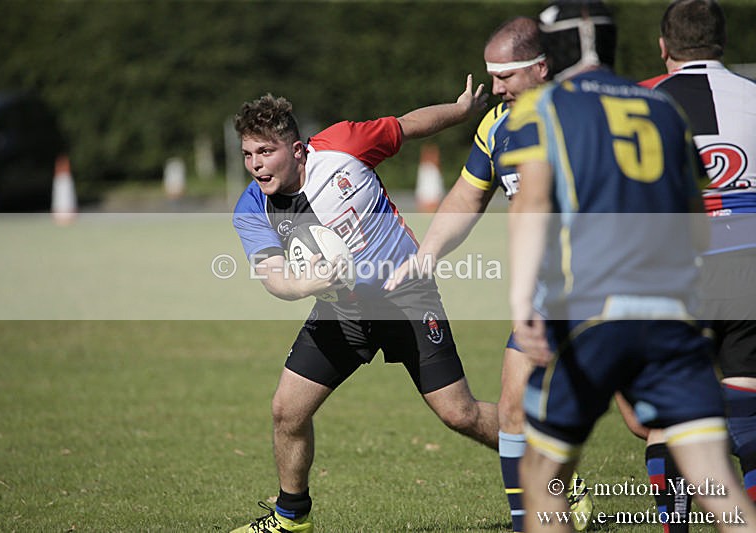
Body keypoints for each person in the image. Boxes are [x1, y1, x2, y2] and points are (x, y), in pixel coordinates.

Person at [499, 1, 756, 531]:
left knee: (544, 475)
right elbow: (696, 223)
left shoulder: (543, 108)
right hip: (671, 314)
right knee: (718, 480)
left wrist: (524, 303)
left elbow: (530, 204)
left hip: (592, 313)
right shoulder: (661, 111)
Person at [229, 78, 501, 533]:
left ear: (296, 150)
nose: (256, 166)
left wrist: (460, 111)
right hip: (342, 311)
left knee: (460, 414)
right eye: (248, 154)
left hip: (406, 297)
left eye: (266, 152)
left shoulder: (342, 146)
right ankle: (292, 517)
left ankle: (553, 473)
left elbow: (407, 126)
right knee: (287, 411)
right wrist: (306, 284)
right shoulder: (252, 207)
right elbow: (274, 277)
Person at [385, 16, 592, 532]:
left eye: (506, 76)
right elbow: (468, 194)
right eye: (491, 76)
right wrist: (428, 253)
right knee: (514, 412)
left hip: (614, 288)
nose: (494, 88)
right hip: (546, 298)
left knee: (645, 421)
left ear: (541, 68)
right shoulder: (497, 124)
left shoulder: (590, 114)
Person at [617, 0, 756, 525]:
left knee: (664, 416)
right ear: (722, 42)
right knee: (748, 413)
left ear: (663, 46)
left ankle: (673, 520)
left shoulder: (637, 104)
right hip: (750, 267)